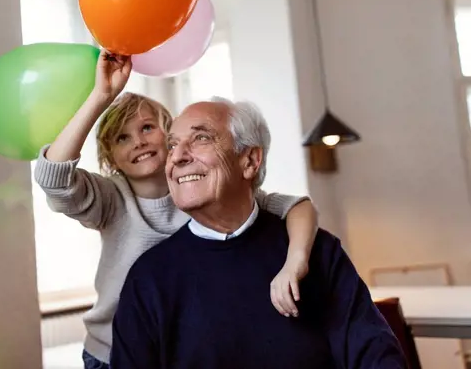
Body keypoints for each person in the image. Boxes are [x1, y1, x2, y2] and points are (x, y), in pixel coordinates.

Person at [33, 51, 321, 368]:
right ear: (111, 157)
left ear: (171, 137)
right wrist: (101, 96)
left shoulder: (204, 192)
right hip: (113, 352)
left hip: (180, 346)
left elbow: (297, 207)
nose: (138, 142)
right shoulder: (111, 198)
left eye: (146, 128)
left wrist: (295, 261)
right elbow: (53, 178)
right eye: (122, 138)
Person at [110, 98, 406, 369]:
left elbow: (376, 356)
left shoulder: (318, 252)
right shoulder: (148, 277)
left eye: (201, 138)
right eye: (173, 145)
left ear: (249, 161)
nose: (177, 158)